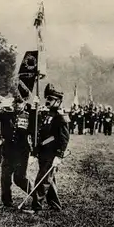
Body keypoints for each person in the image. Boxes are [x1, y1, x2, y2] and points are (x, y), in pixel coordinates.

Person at [0, 94, 38, 209]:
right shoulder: (6, 115)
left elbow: (35, 129)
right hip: (8, 151)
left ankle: (36, 195)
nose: (17, 105)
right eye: (15, 103)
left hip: (22, 153)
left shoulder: (29, 116)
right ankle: (7, 203)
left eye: (20, 103)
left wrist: (34, 107)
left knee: (19, 178)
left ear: (24, 104)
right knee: (5, 178)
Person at [28, 84, 70, 213]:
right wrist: (34, 108)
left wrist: (59, 155)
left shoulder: (60, 116)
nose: (47, 101)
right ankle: (55, 205)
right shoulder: (47, 114)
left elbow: (64, 138)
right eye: (47, 98)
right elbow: (36, 128)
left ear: (58, 101)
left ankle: (36, 207)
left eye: (50, 99)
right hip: (44, 152)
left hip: (52, 153)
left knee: (42, 179)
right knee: (48, 178)